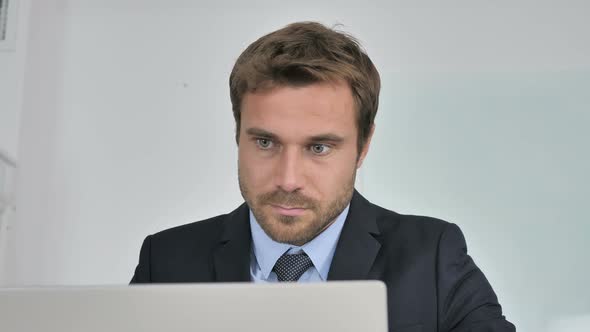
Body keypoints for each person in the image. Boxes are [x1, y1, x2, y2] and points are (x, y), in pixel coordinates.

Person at [130, 21, 515, 331]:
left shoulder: (433, 258)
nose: (289, 179)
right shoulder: (165, 262)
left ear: (363, 146)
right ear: (237, 134)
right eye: (265, 142)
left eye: (318, 148)